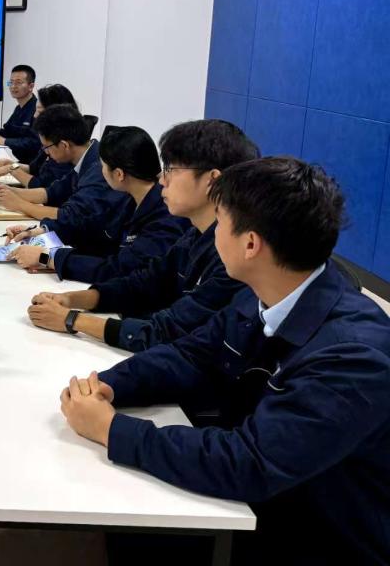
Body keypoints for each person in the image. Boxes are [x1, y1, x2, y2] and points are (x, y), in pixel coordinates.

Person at [58, 158, 390, 565]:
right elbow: (192, 353)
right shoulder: (263, 291)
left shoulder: (353, 357)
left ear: (250, 244)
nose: (213, 232)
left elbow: (252, 462)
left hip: (321, 533)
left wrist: (112, 430)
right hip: (269, 498)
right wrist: (109, 385)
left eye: (220, 221)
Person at [26, 119, 258, 352]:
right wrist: (71, 299)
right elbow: (143, 283)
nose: (162, 180)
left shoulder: (231, 259)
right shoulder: (194, 235)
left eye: (172, 170)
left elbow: (169, 330)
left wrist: (72, 319)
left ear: (212, 180)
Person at [7, 126, 189, 282]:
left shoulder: (165, 217)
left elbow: (119, 269)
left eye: (103, 166)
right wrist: (41, 231)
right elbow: (93, 226)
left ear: (119, 174)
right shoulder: (130, 197)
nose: (100, 172)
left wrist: (47, 258)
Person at [0, 105, 128, 256]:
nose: (46, 153)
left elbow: (68, 217)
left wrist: (21, 205)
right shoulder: (86, 156)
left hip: (99, 250)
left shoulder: (99, 167)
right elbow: (51, 193)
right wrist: (10, 191)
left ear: (64, 145)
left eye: (46, 147)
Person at [0, 84, 77, 189]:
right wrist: (9, 164)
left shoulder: (62, 147)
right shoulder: (49, 137)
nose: (34, 116)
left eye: (39, 111)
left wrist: (11, 170)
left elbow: (43, 187)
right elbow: (33, 168)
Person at [0, 64, 38, 162]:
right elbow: (7, 131)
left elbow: (35, 143)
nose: (13, 86)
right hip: (18, 160)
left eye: (18, 82)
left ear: (31, 86)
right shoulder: (19, 108)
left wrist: (5, 141)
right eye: (11, 82)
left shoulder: (38, 110)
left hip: (31, 165)